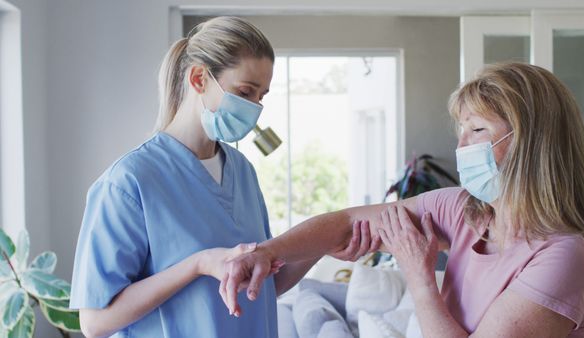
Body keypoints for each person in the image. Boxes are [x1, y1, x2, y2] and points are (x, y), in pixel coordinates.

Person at [220, 62, 584, 337]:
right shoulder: (462, 212)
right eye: (461, 130)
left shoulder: (565, 258)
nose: (460, 146)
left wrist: (419, 276)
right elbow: (346, 222)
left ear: (532, 144)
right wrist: (266, 253)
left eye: (477, 129)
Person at [69, 16, 364, 338]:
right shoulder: (129, 181)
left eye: (261, 96)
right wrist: (197, 264)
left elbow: (261, 286)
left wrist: (321, 244)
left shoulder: (241, 170)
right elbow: (94, 322)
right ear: (199, 78)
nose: (254, 107)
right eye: (245, 91)